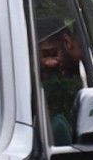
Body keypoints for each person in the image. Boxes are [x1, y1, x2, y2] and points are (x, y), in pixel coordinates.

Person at [35, 16, 85, 145]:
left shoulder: (88, 75)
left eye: (50, 53)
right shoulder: (87, 71)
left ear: (67, 41)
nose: (50, 64)